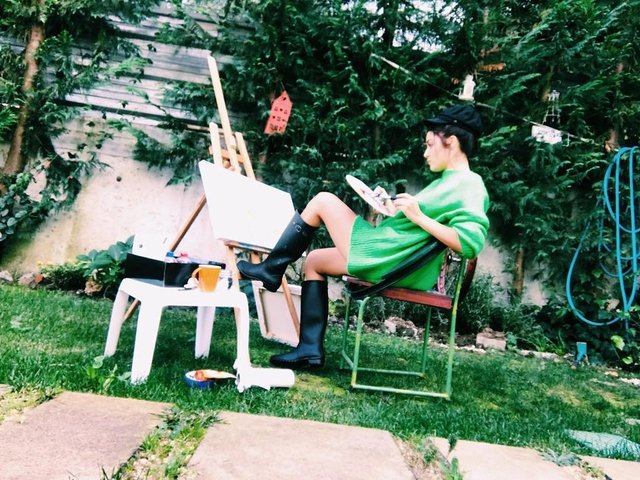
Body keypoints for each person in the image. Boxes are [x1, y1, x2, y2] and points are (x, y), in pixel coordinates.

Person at [238, 104, 490, 369]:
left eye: (429, 144)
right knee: (315, 261)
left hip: (391, 260)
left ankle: (272, 268)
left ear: (451, 141)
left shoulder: (469, 184)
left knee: (323, 200)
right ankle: (309, 350)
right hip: (392, 255)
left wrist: (418, 217)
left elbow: (469, 244)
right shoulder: (448, 181)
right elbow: (420, 228)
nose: (425, 152)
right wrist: (395, 211)